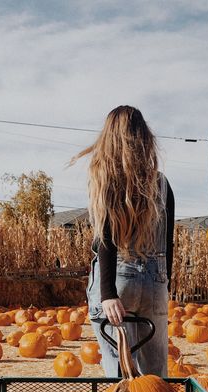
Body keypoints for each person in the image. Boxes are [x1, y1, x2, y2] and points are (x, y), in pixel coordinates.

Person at [69, 105, 175, 377]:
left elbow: (105, 238)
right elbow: (169, 244)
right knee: (155, 376)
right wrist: (164, 287)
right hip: (155, 285)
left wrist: (107, 294)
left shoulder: (105, 180)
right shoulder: (162, 184)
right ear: (144, 139)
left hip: (118, 282)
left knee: (120, 375)